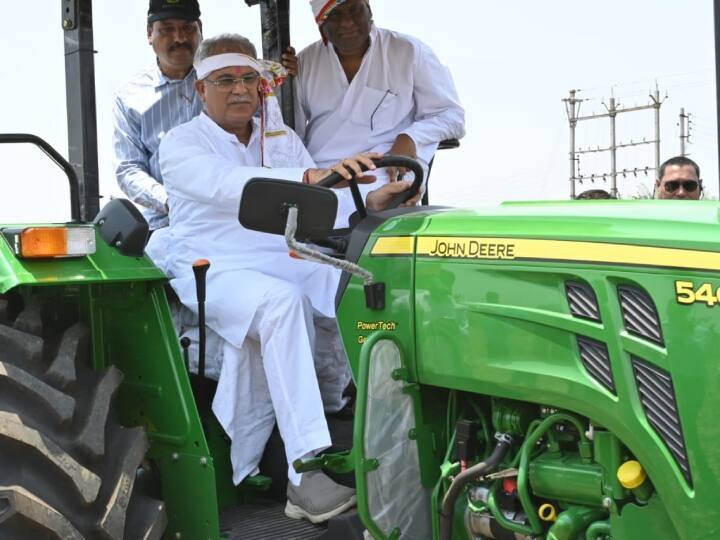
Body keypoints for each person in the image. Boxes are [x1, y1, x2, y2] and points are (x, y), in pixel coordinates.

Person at [157, 33, 418, 524]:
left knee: (367, 285)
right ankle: (305, 474)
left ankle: (397, 434)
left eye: (249, 79)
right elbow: (230, 186)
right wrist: (310, 178)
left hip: (282, 253)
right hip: (214, 265)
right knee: (282, 303)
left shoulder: (279, 140)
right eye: (226, 80)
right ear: (200, 88)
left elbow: (321, 200)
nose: (239, 90)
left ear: (262, 86)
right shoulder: (182, 143)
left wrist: (368, 201)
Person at [289, 0, 465, 222]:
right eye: (335, 15)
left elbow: (452, 116)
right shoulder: (304, 63)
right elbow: (289, 137)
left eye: (354, 9)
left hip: (384, 175)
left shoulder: (409, 51)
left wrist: (410, 137)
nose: (348, 22)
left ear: (369, 10)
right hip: (322, 180)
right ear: (321, 24)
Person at [113, 0, 203, 231]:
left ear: (200, 29)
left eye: (188, 28)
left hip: (230, 218)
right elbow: (128, 168)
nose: (180, 38)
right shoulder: (129, 95)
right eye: (167, 29)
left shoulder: (229, 79)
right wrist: (170, 201)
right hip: (165, 223)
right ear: (149, 34)